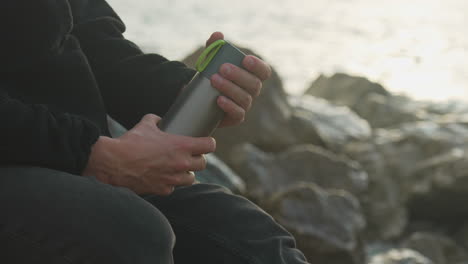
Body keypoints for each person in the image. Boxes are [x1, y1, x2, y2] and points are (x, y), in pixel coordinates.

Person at [0, 0, 309, 263]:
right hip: (27, 154)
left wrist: (179, 92)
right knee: (132, 234)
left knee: (258, 242)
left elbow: (88, 37)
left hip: (71, 153)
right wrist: (92, 155)